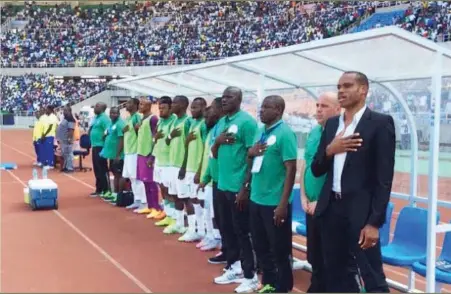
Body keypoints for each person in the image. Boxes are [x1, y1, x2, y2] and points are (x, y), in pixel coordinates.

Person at [311, 71, 395, 293]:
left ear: (363, 90)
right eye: (339, 86)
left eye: (347, 86)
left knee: (372, 275)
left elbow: (384, 179)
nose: (341, 91)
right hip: (331, 210)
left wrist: (374, 223)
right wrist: (331, 150)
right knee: (336, 273)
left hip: (361, 213)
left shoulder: (379, 123)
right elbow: (316, 169)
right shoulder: (331, 125)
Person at [246, 95, 297, 293]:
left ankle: (284, 287)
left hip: (275, 202)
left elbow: (291, 169)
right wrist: (251, 152)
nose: (261, 110)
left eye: (266, 107)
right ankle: (269, 281)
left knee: (280, 249)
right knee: (260, 245)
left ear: (277, 110)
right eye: (261, 106)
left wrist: (283, 204)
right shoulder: (260, 131)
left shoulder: (285, 133)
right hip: (256, 198)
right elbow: (251, 156)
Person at [211, 86, 258, 293]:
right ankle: (233, 266)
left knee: (242, 231)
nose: (224, 100)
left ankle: (250, 274)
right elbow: (214, 151)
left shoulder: (247, 122)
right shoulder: (222, 122)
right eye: (223, 97)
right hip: (222, 184)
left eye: (229, 97)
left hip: (238, 187)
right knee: (226, 228)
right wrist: (218, 142)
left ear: (239, 99)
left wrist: (245, 187)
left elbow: (252, 155)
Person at [300, 92, 341, 293]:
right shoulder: (314, 132)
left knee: (329, 256)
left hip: (328, 206)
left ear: (337, 109)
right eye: (317, 105)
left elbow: (337, 174)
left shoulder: (340, 135)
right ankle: (316, 286)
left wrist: (321, 201)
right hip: (310, 204)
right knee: (314, 254)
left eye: (324, 106)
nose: (318, 109)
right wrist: (303, 195)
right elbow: (306, 165)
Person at [197, 98, 225, 253]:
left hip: (221, 181)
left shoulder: (222, 129)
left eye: (212, 108)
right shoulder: (212, 131)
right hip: (211, 179)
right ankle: (211, 236)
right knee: (208, 210)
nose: (209, 111)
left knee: (216, 213)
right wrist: (205, 177)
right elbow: (210, 157)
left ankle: (217, 238)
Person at [178, 97, 207, 243]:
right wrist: (183, 166)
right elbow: (188, 147)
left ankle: (200, 230)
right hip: (189, 167)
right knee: (189, 199)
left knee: (198, 201)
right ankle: (194, 229)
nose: (193, 110)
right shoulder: (192, 123)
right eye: (192, 107)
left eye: (196, 107)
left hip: (196, 169)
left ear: (204, 108)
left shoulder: (203, 125)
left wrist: (199, 171)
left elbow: (205, 150)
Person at [163, 95, 191, 235]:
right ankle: (179, 223)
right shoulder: (174, 121)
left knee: (186, 197)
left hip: (181, 165)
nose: (172, 105)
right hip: (172, 164)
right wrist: (171, 136)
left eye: (175, 103)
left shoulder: (187, 122)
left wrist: (184, 166)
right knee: (175, 195)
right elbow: (168, 142)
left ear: (183, 105)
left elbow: (188, 146)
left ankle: (191, 227)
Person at [152, 96, 177, 223]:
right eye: (159, 108)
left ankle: (173, 216)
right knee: (161, 187)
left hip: (169, 161)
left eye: (163, 108)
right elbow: (155, 138)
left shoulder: (174, 121)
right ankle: (167, 213)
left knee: (169, 189)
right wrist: (155, 137)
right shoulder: (160, 121)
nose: (160, 111)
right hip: (159, 159)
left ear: (171, 108)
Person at [135, 98, 161, 215]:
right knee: (145, 182)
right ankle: (150, 206)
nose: (139, 106)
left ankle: (156, 207)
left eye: (142, 104)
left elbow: (156, 138)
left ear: (149, 106)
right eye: (139, 104)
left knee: (151, 182)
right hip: (140, 153)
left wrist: (152, 156)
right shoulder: (141, 119)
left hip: (148, 154)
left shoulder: (153, 119)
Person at [122, 98, 147, 211]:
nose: (127, 104)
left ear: (136, 105)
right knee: (132, 178)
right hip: (128, 151)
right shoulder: (128, 118)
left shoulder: (137, 117)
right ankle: (137, 200)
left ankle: (144, 201)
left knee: (137, 178)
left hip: (134, 151)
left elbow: (140, 134)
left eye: (130, 103)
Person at [100, 106, 126, 204]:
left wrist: (118, 155)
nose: (113, 115)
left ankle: (119, 195)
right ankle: (115, 194)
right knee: (115, 174)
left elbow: (121, 139)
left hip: (118, 155)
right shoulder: (112, 123)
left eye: (115, 113)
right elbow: (108, 132)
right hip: (112, 154)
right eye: (111, 113)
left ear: (119, 114)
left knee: (119, 175)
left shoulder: (120, 124)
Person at [88, 102, 111, 197]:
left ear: (102, 108)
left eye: (97, 106)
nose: (95, 107)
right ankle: (99, 188)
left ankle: (106, 189)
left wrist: (104, 137)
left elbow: (109, 130)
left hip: (101, 146)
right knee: (97, 168)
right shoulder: (96, 118)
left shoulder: (104, 118)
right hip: (95, 145)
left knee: (102, 168)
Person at [56, 105, 76, 173]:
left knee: (68, 154)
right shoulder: (66, 118)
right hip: (63, 140)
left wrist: (69, 139)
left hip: (67, 140)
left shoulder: (70, 119)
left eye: (65, 110)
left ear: (69, 111)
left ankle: (70, 168)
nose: (64, 112)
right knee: (64, 154)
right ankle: (66, 167)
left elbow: (71, 130)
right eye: (63, 110)